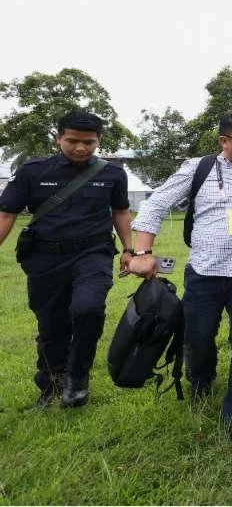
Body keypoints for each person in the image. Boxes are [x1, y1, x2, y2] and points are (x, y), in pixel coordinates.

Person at [129, 112, 232, 447]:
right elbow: (156, 205)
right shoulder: (198, 168)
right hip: (206, 273)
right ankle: (201, 381)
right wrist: (142, 252)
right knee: (199, 340)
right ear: (225, 142)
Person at [0, 111, 132, 409]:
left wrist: (128, 249)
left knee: (88, 309)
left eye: (89, 142)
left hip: (92, 254)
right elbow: (7, 213)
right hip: (45, 258)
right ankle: (51, 385)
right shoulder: (33, 171)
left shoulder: (111, 174)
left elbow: (121, 211)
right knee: (51, 325)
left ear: (98, 141)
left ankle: (77, 376)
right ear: (57, 138)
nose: (81, 148)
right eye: (72, 141)